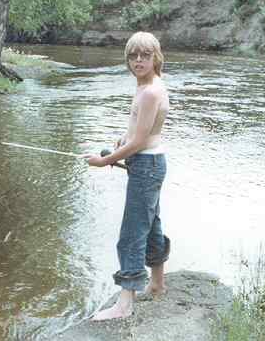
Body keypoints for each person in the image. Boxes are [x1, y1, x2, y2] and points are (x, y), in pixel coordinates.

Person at [84, 31, 170, 321]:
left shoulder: (149, 92)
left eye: (145, 55)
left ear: (155, 57)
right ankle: (157, 284)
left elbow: (141, 141)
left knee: (131, 235)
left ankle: (124, 304)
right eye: (133, 56)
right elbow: (140, 131)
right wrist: (123, 139)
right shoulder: (150, 84)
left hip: (146, 165)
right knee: (152, 225)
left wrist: (104, 160)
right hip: (152, 163)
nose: (138, 61)